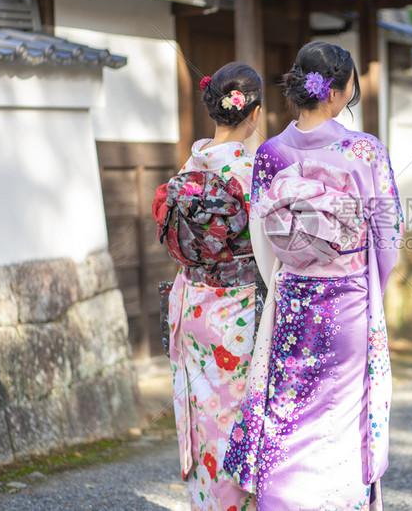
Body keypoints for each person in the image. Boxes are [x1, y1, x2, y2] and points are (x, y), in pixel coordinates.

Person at [223, 41, 404, 510]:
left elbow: (264, 244)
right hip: (348, 302)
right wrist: (370, 288)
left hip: (292, 302)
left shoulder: (270, 154)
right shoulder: (365, 151)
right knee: (342, 418)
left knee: (285, 412)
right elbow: (389, 236)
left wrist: (290, 275)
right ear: (339, 91)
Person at [153, 62, 264, 511]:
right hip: (233, 311)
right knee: (232, 415)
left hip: (189, 302)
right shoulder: (252, 173)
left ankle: (205, 503)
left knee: (198, 411)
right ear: (252, 114)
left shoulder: (191, 163)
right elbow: (270, 250)